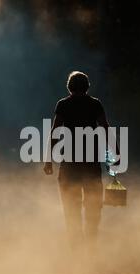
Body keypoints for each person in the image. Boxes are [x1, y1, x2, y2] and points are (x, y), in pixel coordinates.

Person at [44, 71, 113, 255]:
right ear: (87, 86)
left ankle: (76, 254)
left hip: (69, 165)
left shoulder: (63, 104)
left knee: (71, 210)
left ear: (69, 87)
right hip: (90, 164)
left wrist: (48, 159)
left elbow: (55, 132)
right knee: (93, 207)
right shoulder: (95, 104)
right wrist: (116, 152)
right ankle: (90, 247)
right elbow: (105, 127)